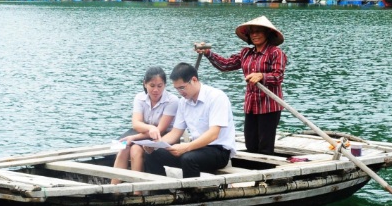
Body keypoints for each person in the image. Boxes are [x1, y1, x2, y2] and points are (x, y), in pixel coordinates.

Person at [196, 15, 287, 155]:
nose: (255, 35)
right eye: (252, 32)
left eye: (259, 31)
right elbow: (225, 65)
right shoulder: (246, 53)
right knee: (250, 143)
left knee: (265, 146)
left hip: (269, 105)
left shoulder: (275, 53)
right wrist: (208, 53)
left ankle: (265, 173)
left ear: (267, 33)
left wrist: (262, 76)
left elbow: (278, 76)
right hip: (251, 105)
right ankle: (253, 172)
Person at [144, 62, 236, 178]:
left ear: (194, 80)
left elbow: (213, 134)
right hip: (196, 148)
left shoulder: (216, 97)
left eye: (182, 87)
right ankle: (162, 192)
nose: (180, 92)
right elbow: (175, 133)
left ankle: (191, 193)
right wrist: (156, 144)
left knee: (189, 158)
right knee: (153, 154)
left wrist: (186, 147)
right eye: (177, 89)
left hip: (218, 151)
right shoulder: (183, 102)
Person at [112, 67, 179, 187]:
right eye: (152, 85)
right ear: (145, 84)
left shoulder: (172, 100)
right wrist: (149, 128)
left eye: (160, 86)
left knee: (134, 149)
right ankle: (113, 189)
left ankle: (137, 191)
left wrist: (133, 138)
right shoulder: (140, 97)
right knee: (123, 147)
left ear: (165, 85)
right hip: (142, 133)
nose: (156, 90)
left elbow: (160, 130)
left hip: (163, 136)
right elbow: (136, 123)